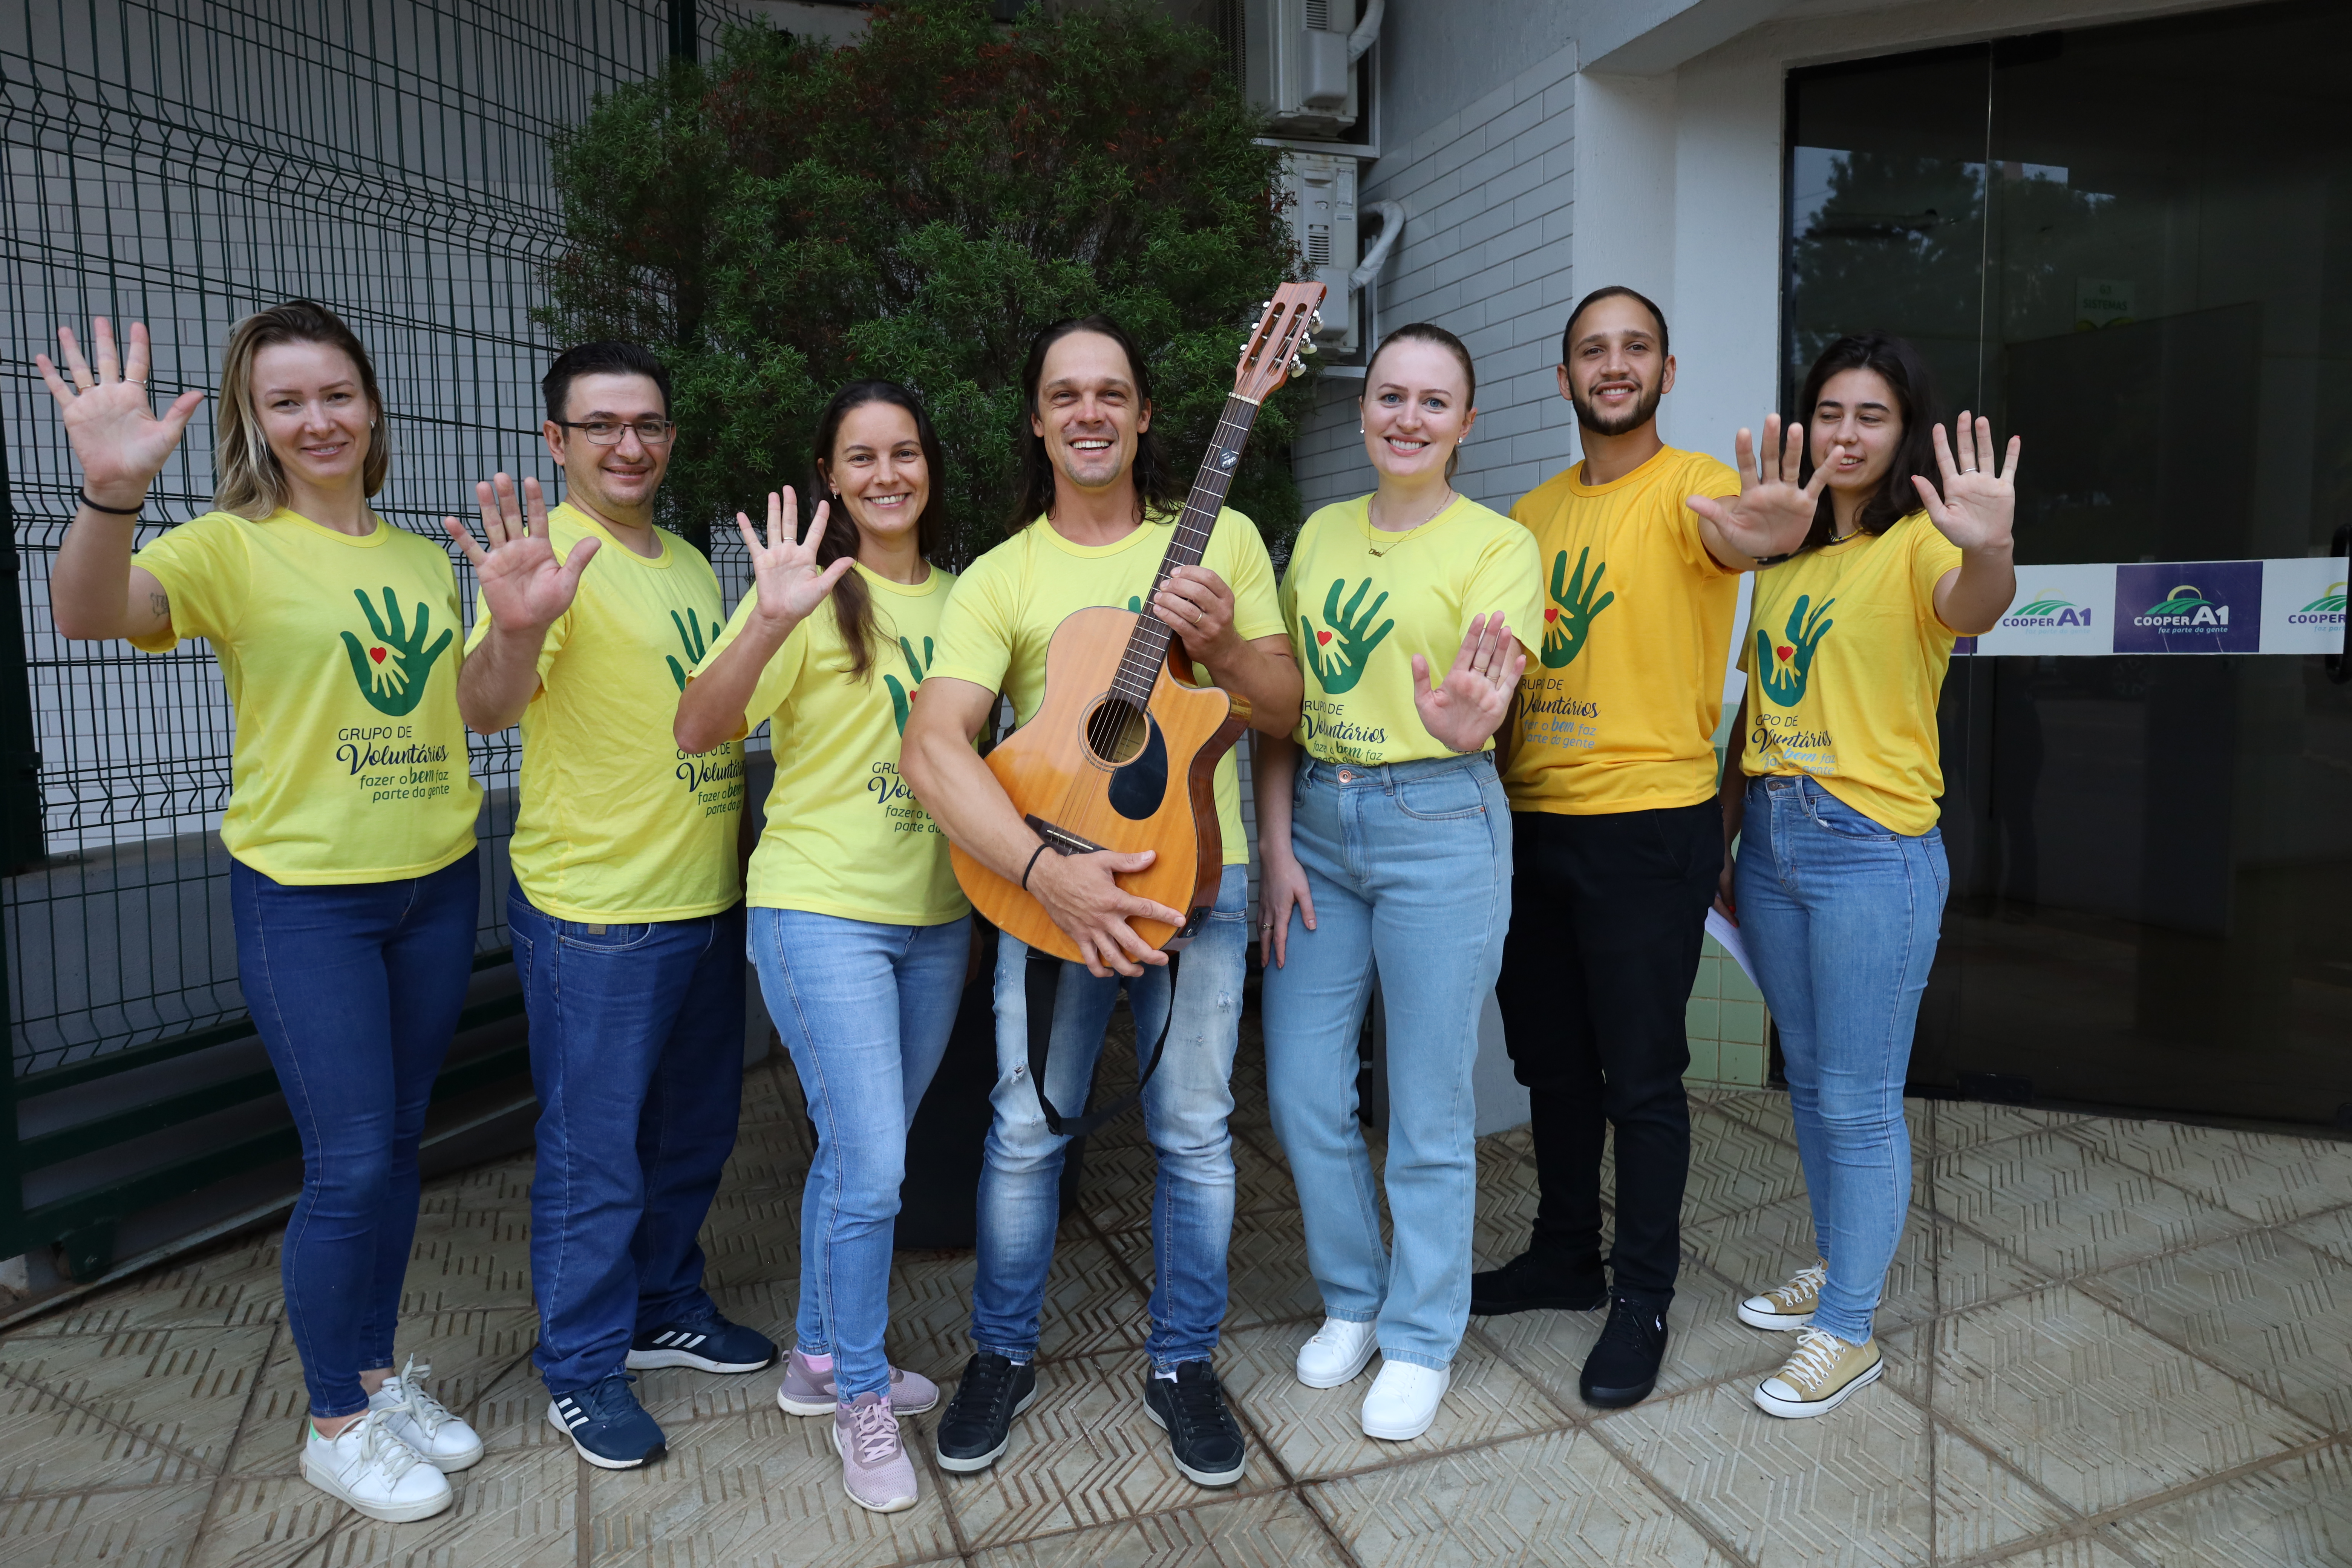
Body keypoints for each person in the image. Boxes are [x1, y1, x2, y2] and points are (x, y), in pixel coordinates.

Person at [38, 306, 484, 1522]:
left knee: (396, 1153)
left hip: (435, 883)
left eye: (336, 394)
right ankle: (334, 1421)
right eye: (287, 402)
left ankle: (377, 1378)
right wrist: (113, 494)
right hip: (309, 902)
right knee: (347, 1165)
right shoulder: (226, 548)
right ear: (254, 420)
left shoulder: (413, 557)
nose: (317, 420)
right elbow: (88, 613)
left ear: (373, 404)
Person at [898, 316, 1301, 1488]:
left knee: (1193, 1134)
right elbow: (936, 746)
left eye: (1111, 393)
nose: (1089, 412)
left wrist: (1226, 645)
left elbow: (1284, 710)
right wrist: (1040, 872)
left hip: (1192, 887)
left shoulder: (1218, 536)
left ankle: (1183, 1363)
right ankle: (1003, 1357)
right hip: (1050, 892)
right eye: (1065, 393)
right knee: (1025, 1133)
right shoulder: (1003, 575)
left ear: (1143, 416)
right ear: (1036, 418)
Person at [1477, 286, 1825, 1411]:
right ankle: (1565, 1254)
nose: (1613, 365)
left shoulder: (1701, 494)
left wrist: (1779, 536)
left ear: (1667, 374)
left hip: (1649, 825)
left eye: (1636, 349)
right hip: (1534, 825)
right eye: (1593, 349)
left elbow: (1748, 540)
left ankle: (1642, 1296)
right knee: (1553, 1065)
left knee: (1643, 1077)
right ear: (1563, 372)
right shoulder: (1526, 518)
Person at [446, 341, 768, 1473]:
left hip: (702, 895)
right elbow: (486, 706)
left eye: (647, 424)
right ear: (556, 441)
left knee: (695, 1131)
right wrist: (519, 623)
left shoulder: (685, 559)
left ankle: (662, 1306)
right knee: (596, 1155)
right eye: (600, 426)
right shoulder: (551, 562)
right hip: (597, 912)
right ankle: (581, 1369)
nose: (628, 445)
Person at [673, 381, 969, 1513]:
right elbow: (700, 729)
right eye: (861, 457)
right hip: (820, 910)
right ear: (833, 479)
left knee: (856, 1155)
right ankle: (855, 1395)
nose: (887, 473)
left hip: (936, 919)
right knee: (880, 1163)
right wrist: (767, 618)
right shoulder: (807, 600)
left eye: (904, 451)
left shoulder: (968, 596)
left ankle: (812, 1355)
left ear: (928, 466)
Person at [1718, 332, 2016, 1418]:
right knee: (1812, 1082)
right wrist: (1727, 831)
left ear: (1904, 435)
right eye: (1831, 412)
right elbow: (1762, 700)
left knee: (1858, 1098)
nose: (1847, 434)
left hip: (1868, 849)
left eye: (1872, 416)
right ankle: (1842, 1262)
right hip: (1776, 841)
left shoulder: (1921, 549)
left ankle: (1849, 1328)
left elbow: (1975, 602)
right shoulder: (1787, 551)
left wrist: (1991, 548)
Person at [1255, 323, 1540, 1441]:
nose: (1408, 419)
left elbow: (1488, 684)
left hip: (1439, 821)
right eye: (1390, 397)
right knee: (1302, 1088)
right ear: (1363, 410)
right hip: (1319, 821)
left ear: (1466, 424)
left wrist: (1462, 721)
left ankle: (1423, 1333)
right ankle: (1356, 1297)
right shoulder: (1320, 535)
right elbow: (1284, 706)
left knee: (1425, 1106)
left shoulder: (1498, 543)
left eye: (1435, 403)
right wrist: (1276, 843)